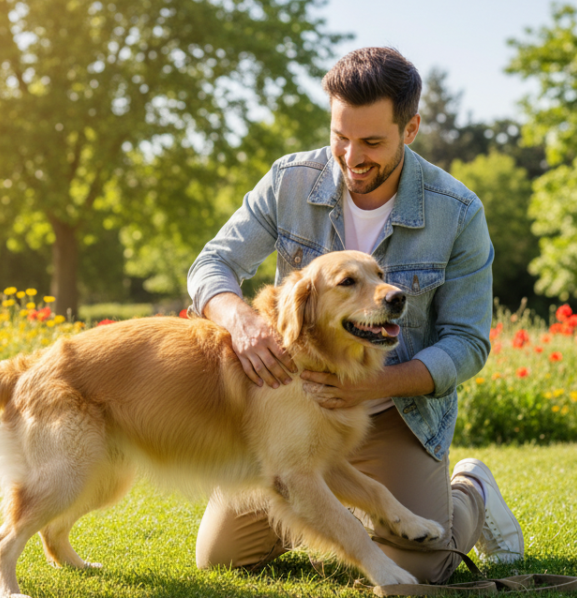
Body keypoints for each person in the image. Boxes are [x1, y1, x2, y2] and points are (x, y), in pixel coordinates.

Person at [186, 46, 523, 584]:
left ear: (409, 129)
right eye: (340, 137)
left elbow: (467, 342)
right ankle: (331, 510)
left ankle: (470, 492)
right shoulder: (289, 181)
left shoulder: (457, 212)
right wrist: (240, 322)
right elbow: (213, 264)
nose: (351, 156)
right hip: (292, 410)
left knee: (427, 565)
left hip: (394, 413)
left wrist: (372, 386)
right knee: (223, 556)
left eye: (372, 142)